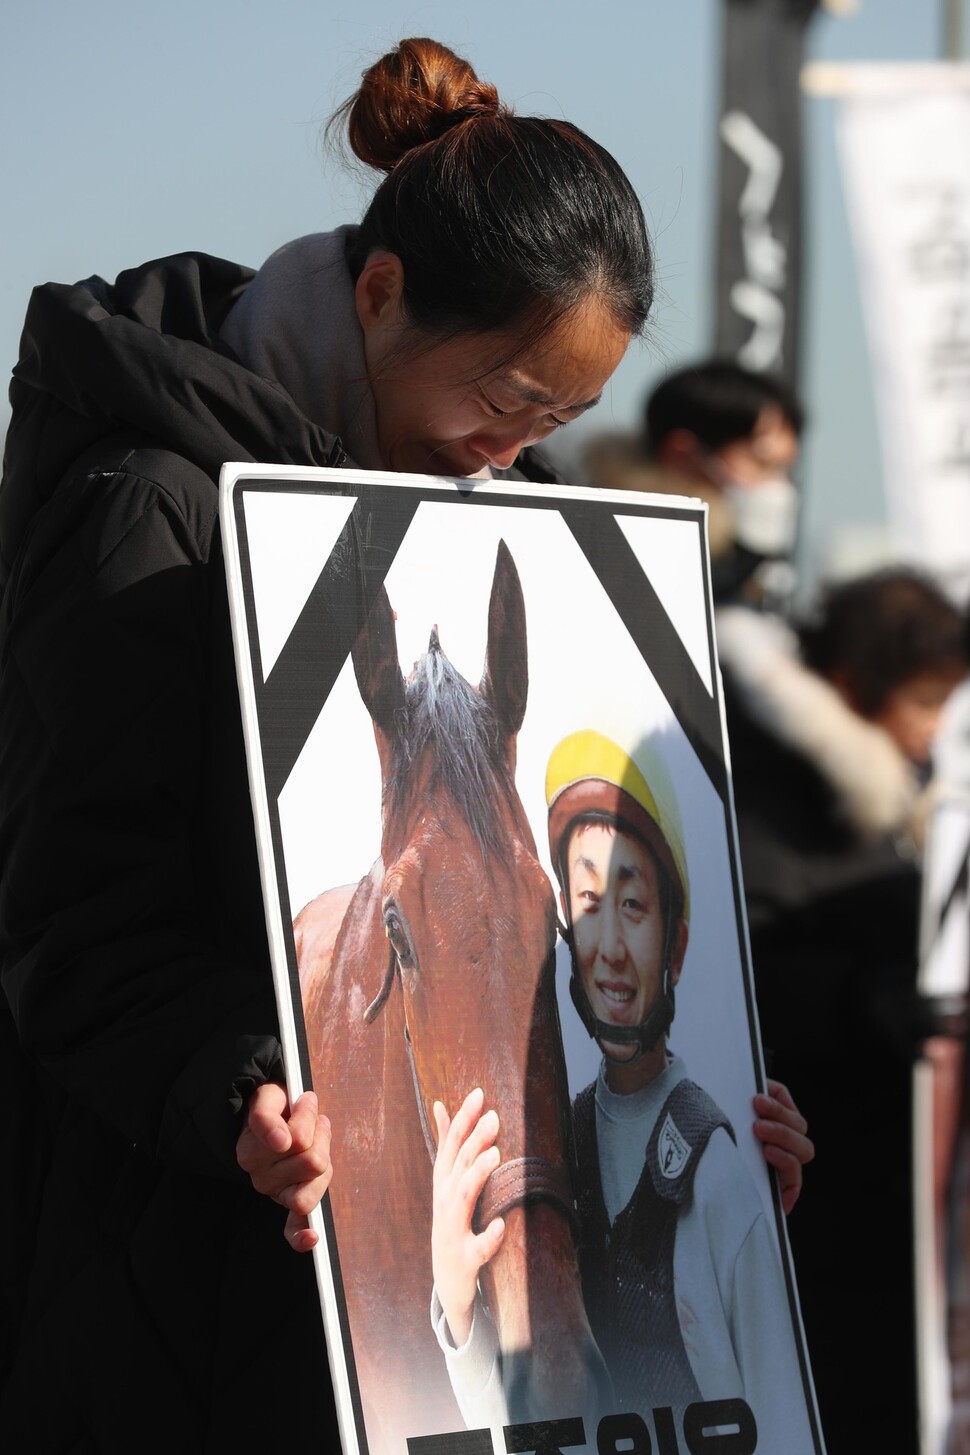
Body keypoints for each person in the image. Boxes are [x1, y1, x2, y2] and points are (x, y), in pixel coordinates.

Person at [0, 36, 654, 1453]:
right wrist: (239, 1083)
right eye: (500, 393)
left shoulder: (511, 527)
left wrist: (700, 1100)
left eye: (561, 416)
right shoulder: (148, 507)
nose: (514, 445)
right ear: (378, 293)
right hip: (181, 1284)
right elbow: (72, 922)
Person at [430, 730, 814, 1449]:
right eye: (588, 902)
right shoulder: (554, 1160)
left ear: (676, 942)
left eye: (633, 906)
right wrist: (456, 1306)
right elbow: (516, 1426)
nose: (608, 943)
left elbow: (785, 1420)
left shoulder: (722, 1175)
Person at [716, 567, 969, 1455]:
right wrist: (866, 1002)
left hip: (880, 1190)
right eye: (928, 701)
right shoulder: (768, 791)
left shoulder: (883, 793)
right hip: (808, 1194)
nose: (936, 727)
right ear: (859, 686)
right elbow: (737, 971)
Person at [584, 357, 805, 606]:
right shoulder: (610, 544)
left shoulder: (741, 567)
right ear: (682, 453)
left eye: (784, 468)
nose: (778, 487)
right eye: (762, 464)